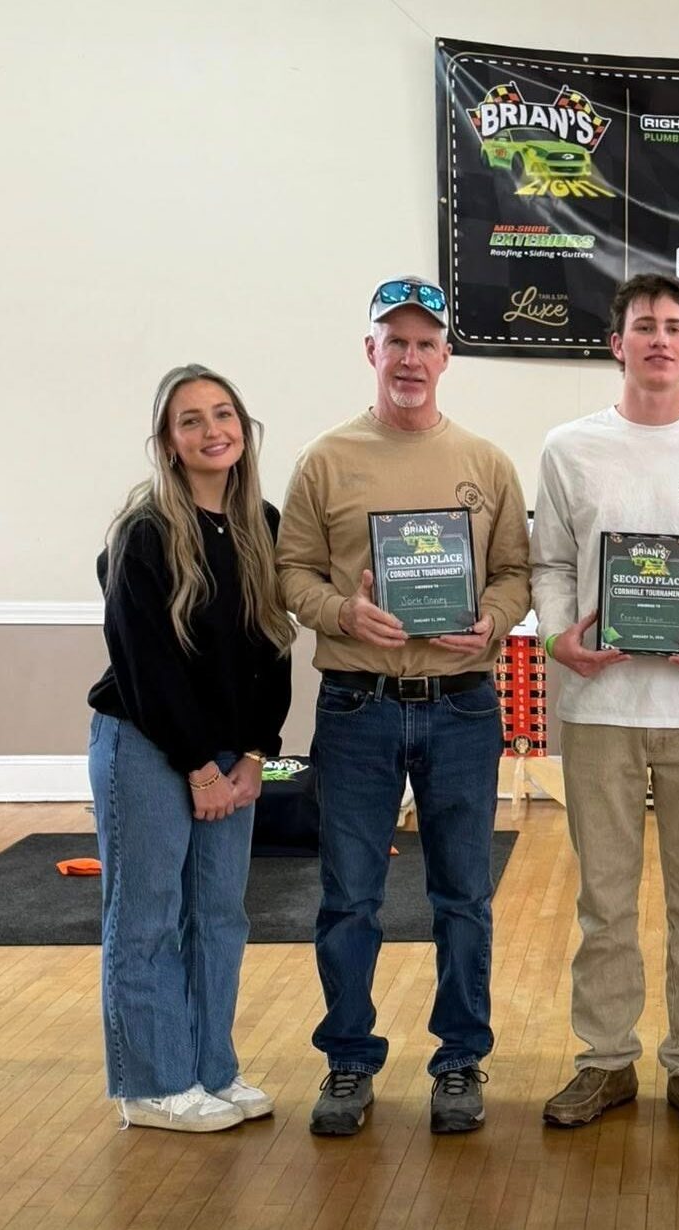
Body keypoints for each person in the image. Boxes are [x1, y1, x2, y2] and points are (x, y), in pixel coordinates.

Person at [277, 276, 531, 1136]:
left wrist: (492, 619)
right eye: (397, 342)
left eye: (427, 343)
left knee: (464, 896)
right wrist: (342, 612)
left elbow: (515, 573)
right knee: (350, 897)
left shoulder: (486, 463)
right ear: (371, 352)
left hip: (462, 706)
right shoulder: (325, 459)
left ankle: (459, 1060)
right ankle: (349, 1060)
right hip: (359, 705)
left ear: (446, 356)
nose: (411, 358)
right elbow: (290, 573)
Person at [532, 273, 679, 1134]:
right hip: (599, 707)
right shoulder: (569, 447)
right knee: (604, 902)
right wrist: (558, 638)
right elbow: (552, 564)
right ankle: (605, 1060)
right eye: (643, 326)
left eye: (674, 327)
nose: (659, 339)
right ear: (616, 344)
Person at [88, 363, 294, 1131]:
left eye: (223, 414)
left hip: (230, 755)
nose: (213, 430)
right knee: (146, 916)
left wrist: (256, 753)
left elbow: (272, 650)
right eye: (191, 420)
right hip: (147, 744)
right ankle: (151, 1084)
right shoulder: (144, 533)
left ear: (244, 428)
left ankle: (210, 1069)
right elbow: (147, 665)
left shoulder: (262, 523)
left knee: (219, 915)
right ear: (168, 442)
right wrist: (199, 764)